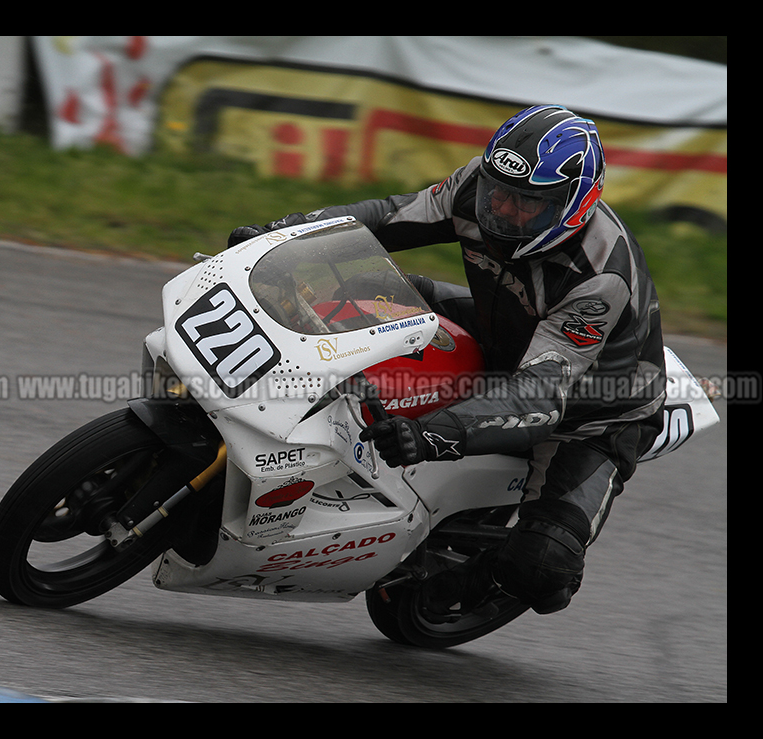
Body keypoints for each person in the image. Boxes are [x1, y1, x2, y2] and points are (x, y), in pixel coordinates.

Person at [228, 104, 667, 619]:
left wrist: (436, 433)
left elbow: (541, 394)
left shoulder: (599, 278)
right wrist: (282, 239)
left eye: (528, 203)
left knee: (543, 569)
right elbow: (384, 218)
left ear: (573, 206)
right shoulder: (477, 187)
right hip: (502, 325)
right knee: (367, 285)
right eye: (498, 191)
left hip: (590, 409)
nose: (503, 210)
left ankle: (470, 577)